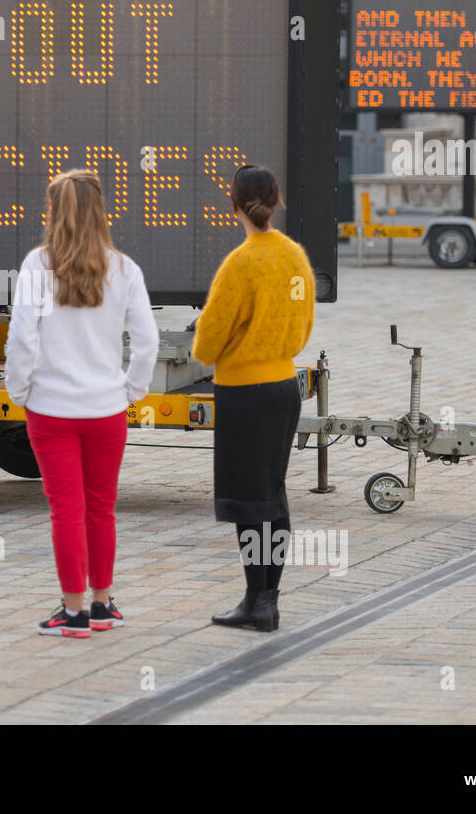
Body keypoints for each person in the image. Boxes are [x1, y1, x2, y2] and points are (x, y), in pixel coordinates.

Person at [5, 170, 160, 638]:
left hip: (51, 409)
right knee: (101, 508)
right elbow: (148, 342)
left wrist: (20, 391)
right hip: (106, 409)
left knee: (65, 510)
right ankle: (101, 604)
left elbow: (21, 338)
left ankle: (72, 613)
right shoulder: (125, 269)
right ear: (101, 210)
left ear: (54, 211)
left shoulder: (38, 264)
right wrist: (130, 391)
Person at [193, 164, 315, 633]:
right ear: (277, 199)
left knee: (249, 503)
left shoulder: (240, 263)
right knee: (273, 499)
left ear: (234, 204)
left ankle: (255, 602)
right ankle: (269, 599)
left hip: (244, 394)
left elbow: (206, 342)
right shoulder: (295, 257)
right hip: (285, 389)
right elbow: (304, 327)